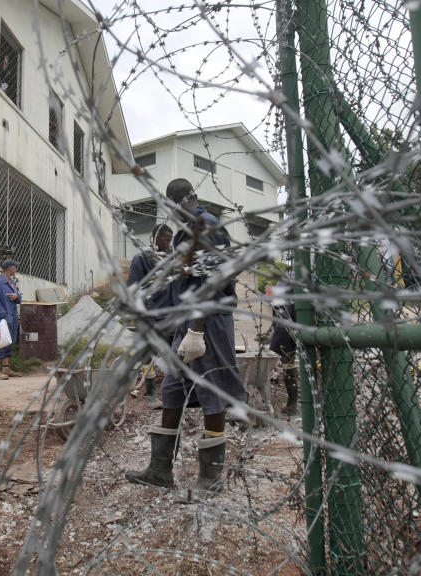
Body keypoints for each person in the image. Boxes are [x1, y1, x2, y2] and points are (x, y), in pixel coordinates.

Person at [125, 179, 247, 497]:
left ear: (178, 201)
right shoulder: (185, 232)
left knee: (210, 392)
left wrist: (196, 330)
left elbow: (213, 281)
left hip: (207, 322)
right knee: (173, 389)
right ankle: (160, 470)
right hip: (186, 321)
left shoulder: (206, 226)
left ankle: (211, 478)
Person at [126, 223, 174, 409]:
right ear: (155, 238)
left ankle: (172, 393)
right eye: (166, 240)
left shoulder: (171, 259)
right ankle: (152, 395)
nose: (169, 244)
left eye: (171, 240)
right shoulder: (141, 259)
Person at [0, 258, 23, 380]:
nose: (16, 268)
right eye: (15, 266)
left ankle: (6, 368)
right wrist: (4, 313)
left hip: (13, 317)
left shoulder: (11, 282)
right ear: (9, 268)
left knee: (10, 341)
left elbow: (19, 297)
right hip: (3, 318)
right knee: (0, 341)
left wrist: (17, 297)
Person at [268, 301, 299, 415]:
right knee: (288, 366)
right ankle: (292, 403)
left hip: (286, 337)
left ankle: (293, 403)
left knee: (288, 367)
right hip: (286, 336)